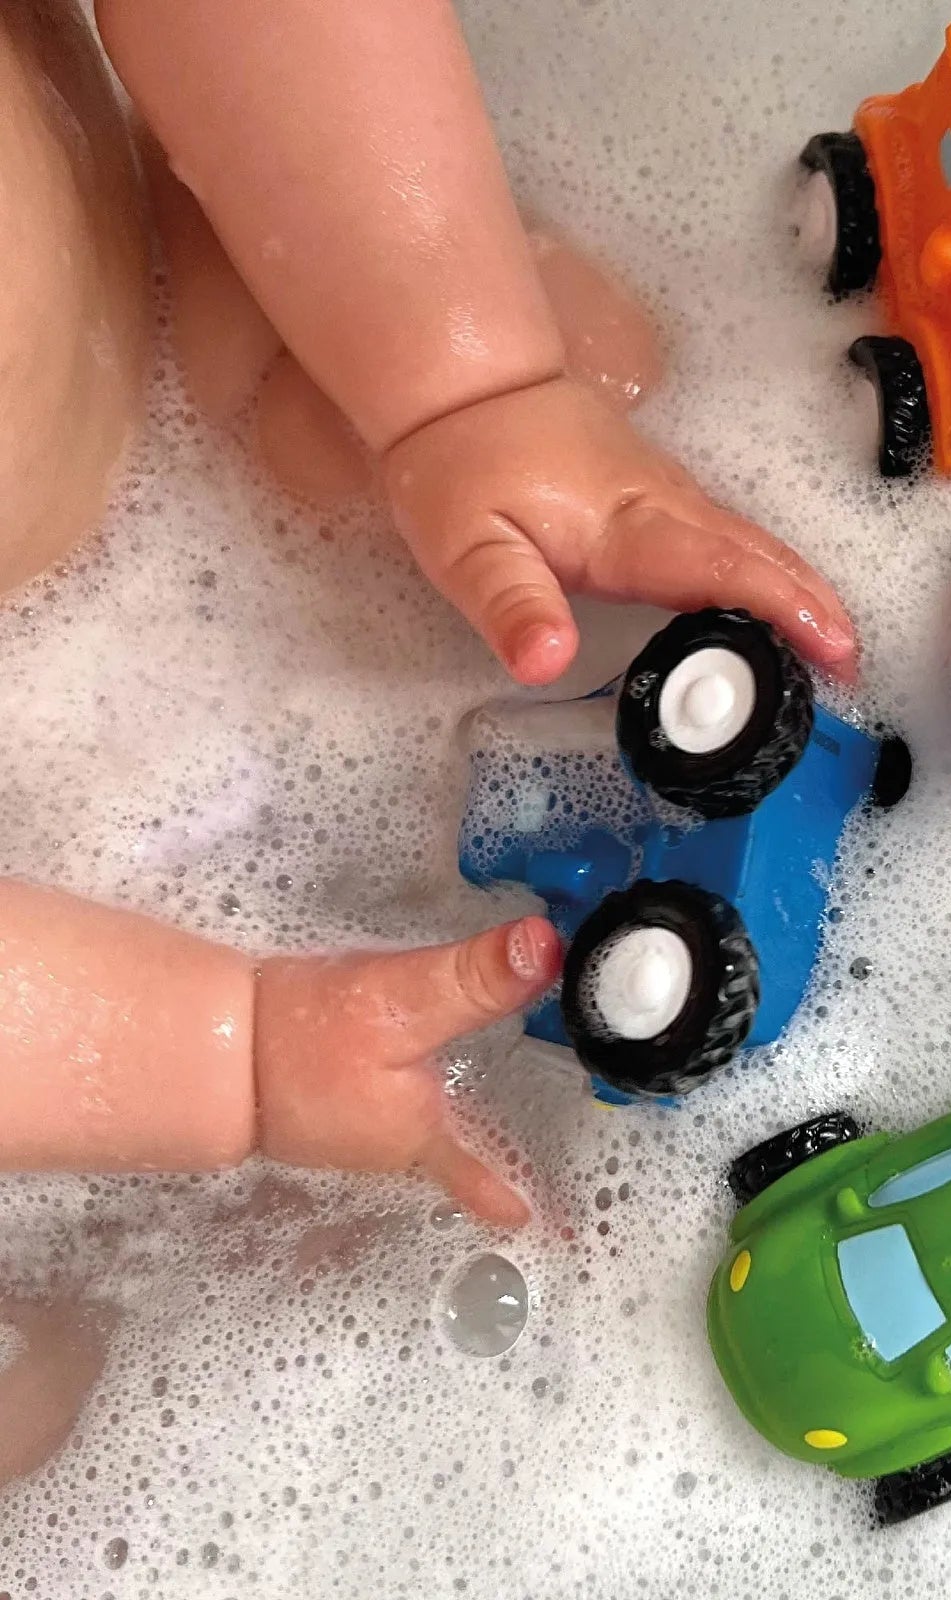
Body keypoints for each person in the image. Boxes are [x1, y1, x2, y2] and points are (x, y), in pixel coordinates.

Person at [0, 0, 856, 1220]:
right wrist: (236, 1055)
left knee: (600, 355)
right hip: (70, 835)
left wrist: (465, 388)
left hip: (172, 264)